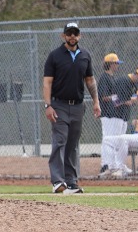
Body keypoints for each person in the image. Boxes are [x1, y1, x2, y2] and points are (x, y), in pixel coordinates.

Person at [41, 21, 98, 193]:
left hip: (78, 106)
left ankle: (71, 182)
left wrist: (96, 101)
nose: (72, 36)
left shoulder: (85, 55)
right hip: (59, 105)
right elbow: (47, 82)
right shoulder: (55, 56)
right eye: (69, 33)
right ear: (63, 35)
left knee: (72, 144)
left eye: (75, 33)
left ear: (79, 35)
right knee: (60, 140)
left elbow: (90, 80)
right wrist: (48, 105)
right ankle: (58, 181)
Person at [96, 53, 128, 175]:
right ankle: (105, 164)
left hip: (113, 113)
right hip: (107, 114)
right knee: (107, 138)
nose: (117, 66)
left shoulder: (112, 77)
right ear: (110, 64)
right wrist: (118, 98)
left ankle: (111, 164)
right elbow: (104, 97)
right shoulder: (105, 78)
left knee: (112, 138)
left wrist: (121, 100)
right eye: (116, 63)